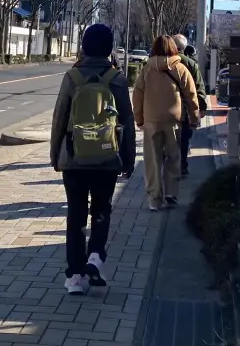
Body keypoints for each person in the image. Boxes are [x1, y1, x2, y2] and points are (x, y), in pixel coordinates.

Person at [50, 24, 136, 296]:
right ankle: (96, 256)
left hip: (73, 157)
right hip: (107, 157)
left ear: (84, 46)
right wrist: (128, 159)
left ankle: (75, 277)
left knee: (75, 215)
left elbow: (59, 119)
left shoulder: (72, 77)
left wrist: (55, 155)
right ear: (109, 48)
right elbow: (128, 122)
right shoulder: (116, 78)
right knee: (101, 210)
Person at [132, 35, 199, 211]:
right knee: (173, 158)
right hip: (174, 121)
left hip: (151, 121)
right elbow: (191, 96)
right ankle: (171, 193)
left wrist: (139, 119)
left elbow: (137, 95)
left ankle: (154, 199)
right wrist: (194, 118)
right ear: (173, 48)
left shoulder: (146, 69)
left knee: (152, 161)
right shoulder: (180, 68)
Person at [171, 35, 208, 178]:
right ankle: (182, 165)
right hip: (185, 110)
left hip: (166, 108)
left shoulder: (163, 62)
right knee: (184, 139)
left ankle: (168, 165)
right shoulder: (191, 64)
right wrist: (201, 108)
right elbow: (199, 88)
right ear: (184, 47)